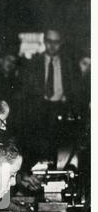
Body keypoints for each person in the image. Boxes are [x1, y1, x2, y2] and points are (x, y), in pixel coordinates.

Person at [20, 28, 76, 165]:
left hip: (60, 108)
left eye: (56, 42)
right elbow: (27, 89)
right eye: (49, 41)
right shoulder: (34, 62)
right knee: (38, 148)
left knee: (59, 150)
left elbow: (74, 89)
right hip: (39, 108)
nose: (52, 45)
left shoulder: (68, 63)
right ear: (44, 41)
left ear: (61, 43)